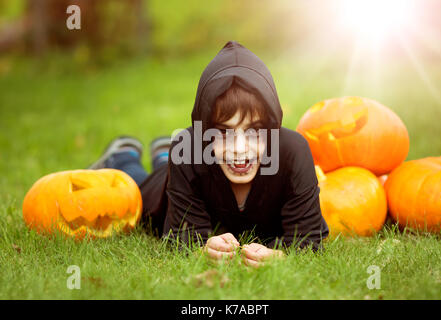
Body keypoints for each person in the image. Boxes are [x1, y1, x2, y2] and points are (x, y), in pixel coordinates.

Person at [89, 41, 329, 267]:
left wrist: (278, 255)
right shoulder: (188, 148)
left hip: (183, 164)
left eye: (255, 130)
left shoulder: (293, 150)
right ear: (203, 132)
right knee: (137, 184)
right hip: (165, 185)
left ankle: (162, 152)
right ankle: (123, 154)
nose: (240, 148)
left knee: (168, 162)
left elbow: (309, 236)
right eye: (224, 132)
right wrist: (202, 249)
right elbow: (182, 237)